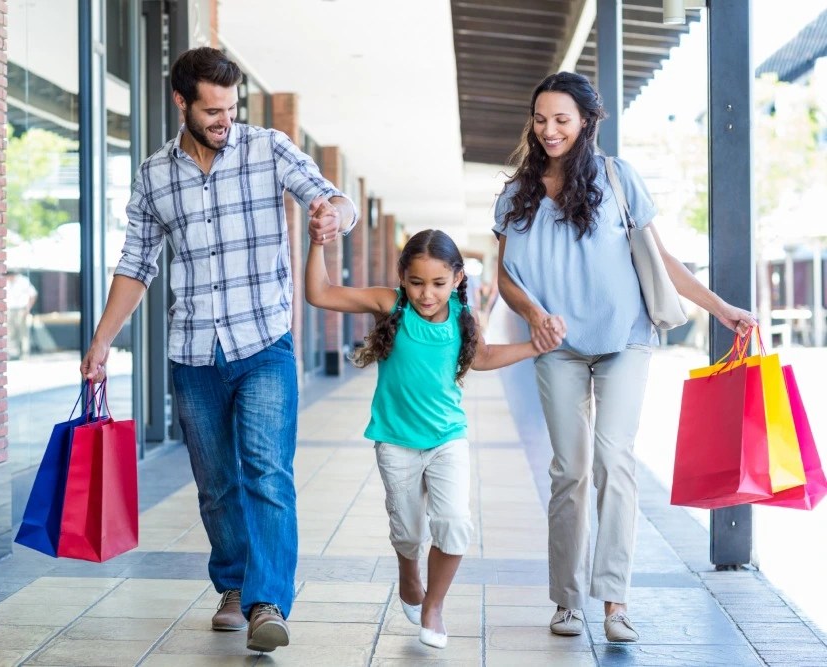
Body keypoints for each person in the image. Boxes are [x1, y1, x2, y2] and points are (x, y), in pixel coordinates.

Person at [79, 46, 357, 654]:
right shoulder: (155, 174)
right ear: (181, 102)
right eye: (211, 109)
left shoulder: (269, 147)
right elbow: (136, 264)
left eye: (230, 107)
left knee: (267, 472)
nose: (223, 119)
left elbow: (333, 197)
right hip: (193, 353)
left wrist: (331, 216)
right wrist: (102, 341)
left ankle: (267, 603)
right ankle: (232, 585)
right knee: (215, 485)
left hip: (264, 345)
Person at [492, 71, 757, 643]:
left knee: (615, 460)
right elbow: (507, 278)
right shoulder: (517, 193)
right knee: (570, 470)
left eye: (562, 119)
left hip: (624, 341)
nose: (549, 130)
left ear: (587, 120)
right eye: (541, 120)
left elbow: (662, 262)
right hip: (556, 348)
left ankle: (614, 602)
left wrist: (721, 308)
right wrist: (535, 315)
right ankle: (566, 601)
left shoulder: (617, 179)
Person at [305, 228, 556, 649]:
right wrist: (317, 241)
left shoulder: (463, 316)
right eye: (417, 282)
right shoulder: (391, 304)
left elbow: (485, 357)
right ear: (403, 276)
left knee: (455, 524)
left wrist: (535, 346)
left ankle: (434, 606)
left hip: (447, 439)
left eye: (439, 283)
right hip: (396, 440)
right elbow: (321, 293)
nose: (427, 295)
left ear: (458, 278)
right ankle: (409, 573)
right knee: (407, 532)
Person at [6, 270, 37, 359]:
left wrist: (28, 309)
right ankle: (13, 353)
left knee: (23, 332)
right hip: (10, 309)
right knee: (10, 332)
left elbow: (33, 294)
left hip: (21, 309)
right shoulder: (6, 282)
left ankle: (25, 353)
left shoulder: (23, 281)